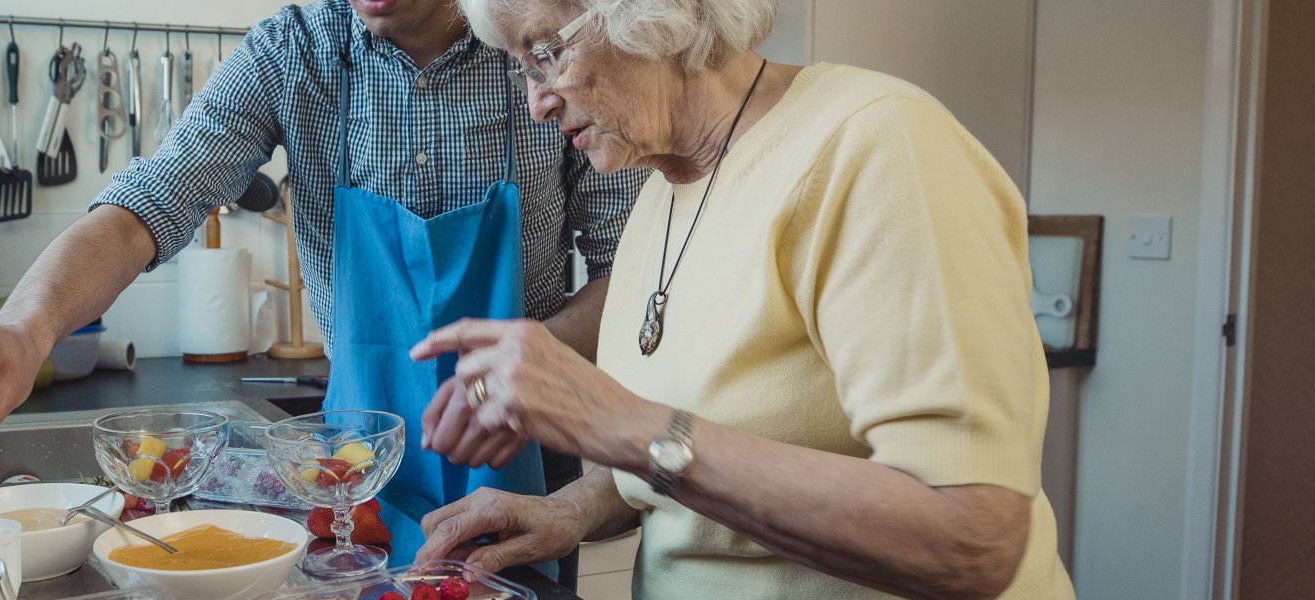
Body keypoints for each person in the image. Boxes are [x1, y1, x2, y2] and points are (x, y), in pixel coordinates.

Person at [407, 0, 1077, 598]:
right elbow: (708, 444)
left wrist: (626, 426)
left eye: (545, 52)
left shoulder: (876, 146)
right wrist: (571, 510)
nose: (538, 102)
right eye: (523, 68)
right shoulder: (658, 201)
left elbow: (973, 540)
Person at [0, 0, 646, 532]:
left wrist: (529, 361)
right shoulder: (295, 52)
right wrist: (26, 332)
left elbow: (633, 270)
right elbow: (144, 209)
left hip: (526, 467)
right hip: (355, 475)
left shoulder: (547, 48)